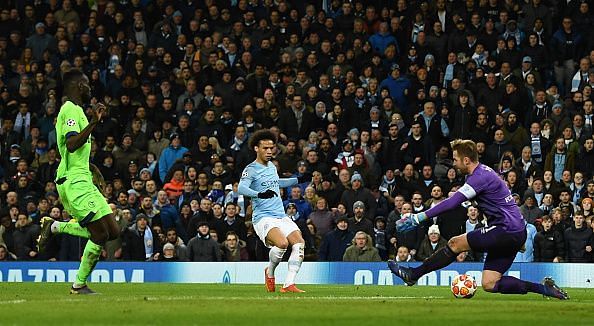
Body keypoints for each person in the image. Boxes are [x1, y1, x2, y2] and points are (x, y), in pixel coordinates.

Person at [388, 139, 569, 299]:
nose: (454, 163)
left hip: (504, 229)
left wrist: (419, 217)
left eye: (456, 159)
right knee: (490, 283)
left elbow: (453, 203)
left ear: (466, 160)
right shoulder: (485, 171)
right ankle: (544, 289)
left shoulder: (479, 177)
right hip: (513, 230)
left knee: (454, 243)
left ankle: (413, 274)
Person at [37, 70, 120, 294]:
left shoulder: (78, 111)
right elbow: (72, 144)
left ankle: (54, 226)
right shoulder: (69, 110)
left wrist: (92, 169)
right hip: (73, 182)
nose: (90, 87)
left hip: (83, 178)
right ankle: (79, 284)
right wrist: (94, 122)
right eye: (86, 83)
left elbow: (73, 153)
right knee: (100, 234)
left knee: (112, 231)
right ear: (77, 85)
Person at [237, 129, 306, 293]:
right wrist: (258, 194)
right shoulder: (251, 169)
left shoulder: (271, 167)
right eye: (265, 148)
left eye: (271, 148)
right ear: (256, 149)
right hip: (263, 217)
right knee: (282, 244)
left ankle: (288, 284)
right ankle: (270, 271)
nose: (269, 152)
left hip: (280, 215)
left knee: (299, 244)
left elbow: (276, 183)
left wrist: (298, 180)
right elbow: (241, 187)